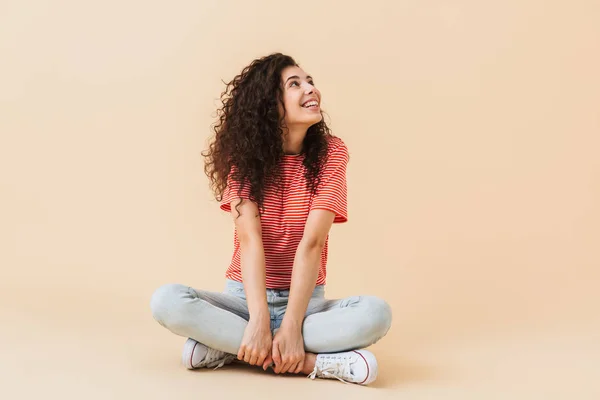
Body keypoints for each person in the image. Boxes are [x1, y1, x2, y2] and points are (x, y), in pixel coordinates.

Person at [150, 53, 392, 385]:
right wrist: (259, 319)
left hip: (305, 304)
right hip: (244, 300)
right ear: (269, 104)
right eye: (295, 84)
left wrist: (292, 324)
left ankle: (233, 348)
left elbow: (312, 244)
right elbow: (250, 242)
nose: (311, 89)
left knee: (376, 315)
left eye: (310, 81)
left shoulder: (332, 153)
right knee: (167, 301)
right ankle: (311, 360)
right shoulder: (244, 160)